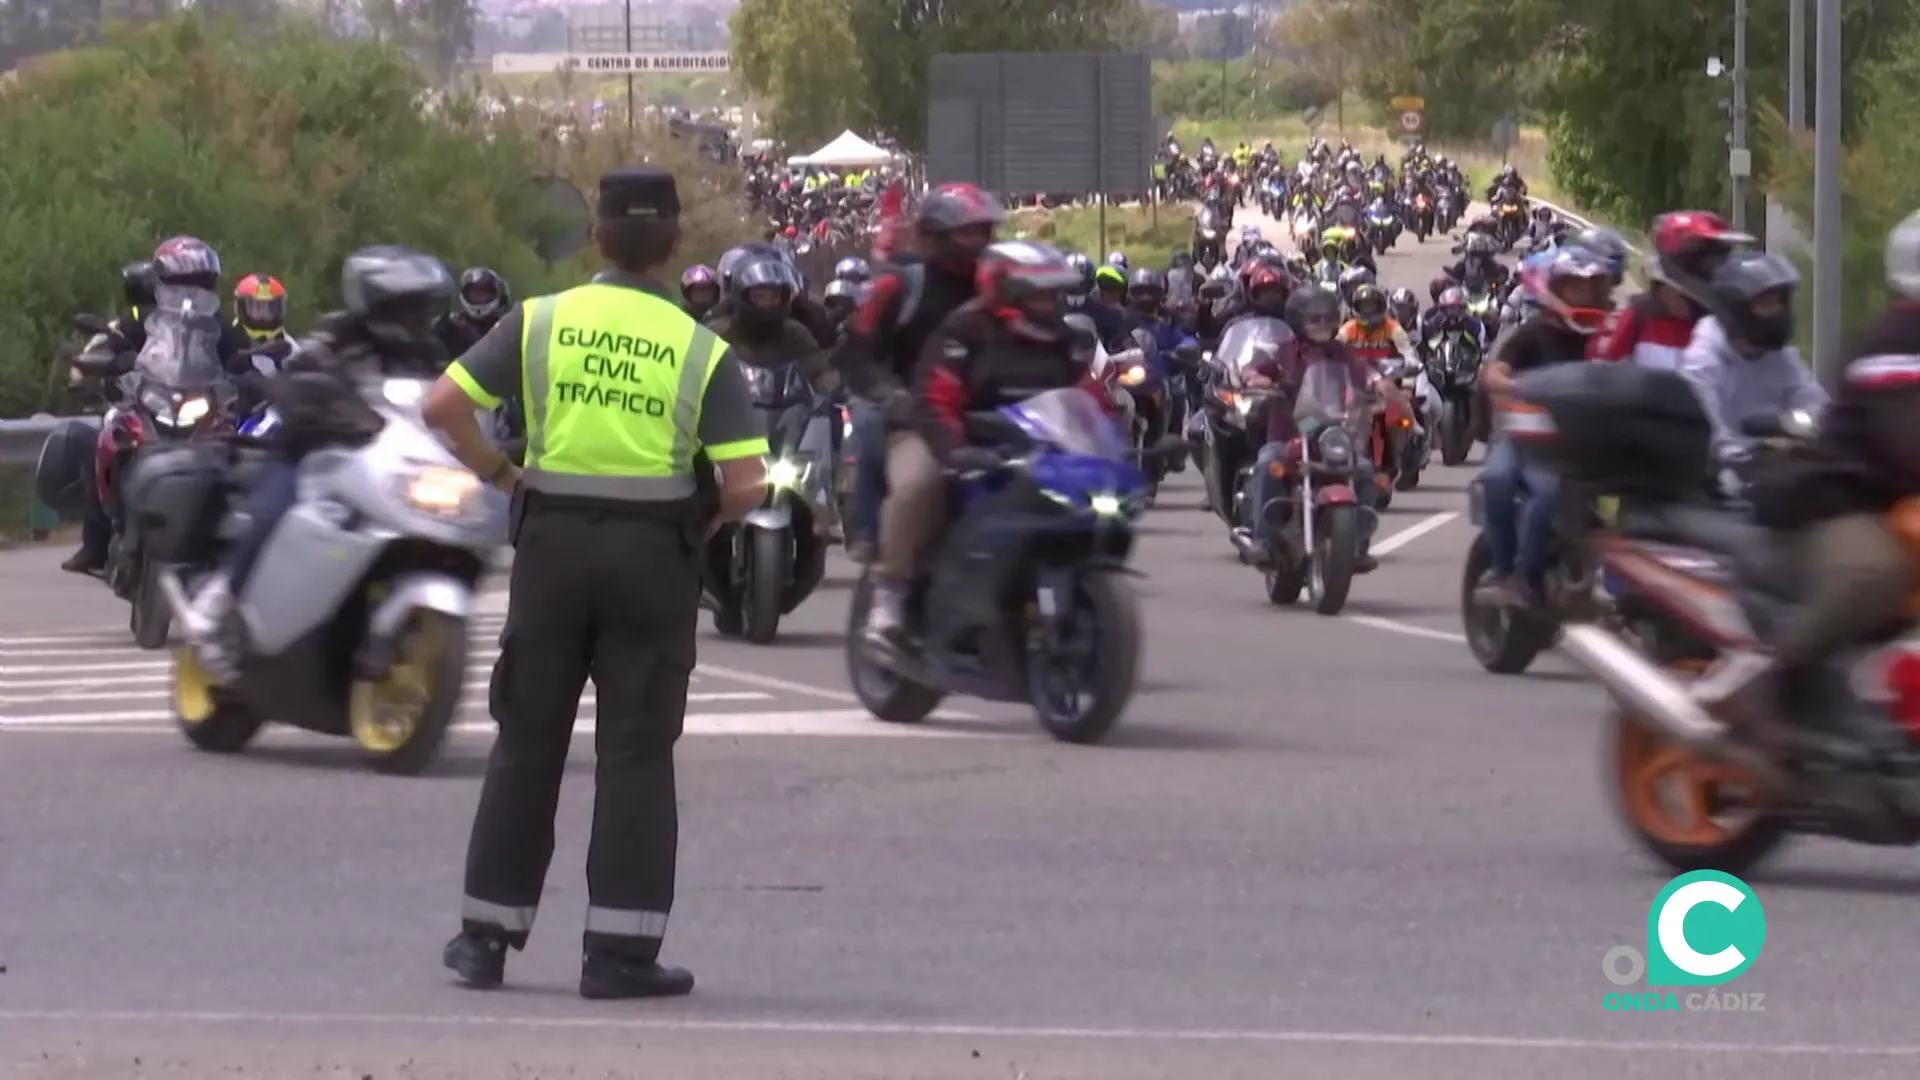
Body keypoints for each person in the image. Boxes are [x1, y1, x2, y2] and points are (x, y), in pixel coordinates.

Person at [422, 166, 769, 999]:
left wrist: (505, 478)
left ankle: (484, 940)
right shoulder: (702, 350)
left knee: (527, 740)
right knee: (636, 754)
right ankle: (618, 954)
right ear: (675, 245)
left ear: (598, 238)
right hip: (653, 559)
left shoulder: (539, 321)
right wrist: (697, 526)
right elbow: (747, 484)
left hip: (551, 548)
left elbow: (442, 408)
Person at [1696, 212, 1920, 731]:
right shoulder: (1898, 340)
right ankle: (1770, 681)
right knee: (1872, 573)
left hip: (1896, 504)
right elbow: (1908, 438)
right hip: (1843, 500)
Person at [182, 247, 455, 659]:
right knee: (270, 513)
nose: (415, 316)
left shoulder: (428, 353)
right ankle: (220, 600)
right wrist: (336, 409)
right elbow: (297, 381)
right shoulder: (336, 338)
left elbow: (448, 397)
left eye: (421, 307)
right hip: (313, 455)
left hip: (383, 463)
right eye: (407, 306)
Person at [860, 240, 1101, 651]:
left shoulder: (1066, 338)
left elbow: (1087, 398)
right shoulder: (964, 331)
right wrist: (954, 450)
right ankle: (890, 595)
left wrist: (1114, 443)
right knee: (919, 485)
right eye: (1038, 294)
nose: (1049, 303)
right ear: (1007, 291)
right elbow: (935, 399)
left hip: (1029, 444)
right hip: (948, 437)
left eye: (1053, 293)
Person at [63, 236, 257, 576]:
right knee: (108, 435)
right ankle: (95, 542)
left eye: (199, 283)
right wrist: (112, 361)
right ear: (161, 284)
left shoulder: (220, 328)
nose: (189, 292)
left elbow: (245, 362)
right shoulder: (139, 321)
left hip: (203, 408)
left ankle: (226, 543)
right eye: (180, 283)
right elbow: (103, 348)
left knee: (240, 448)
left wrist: (249, 377)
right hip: (146, 400)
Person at [839, 183, 1003, 558]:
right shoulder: (898, 285)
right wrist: (890, 395)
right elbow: (856, 353)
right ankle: (885, 571)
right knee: (913, 482)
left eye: (984, 231)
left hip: (995, 419)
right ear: (934, 235)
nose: (979, 241)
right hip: (918, 420)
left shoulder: (1005, 288)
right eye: (968, 232)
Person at [1475, 245, 1615, 608]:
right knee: (1502, 480)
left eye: (1594, 287)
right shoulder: (1532, 333)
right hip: (1528, 434)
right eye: (1578, 286)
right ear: (1559, 289)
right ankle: (1515, 575)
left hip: (1583, 438)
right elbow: (1495, 373)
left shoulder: (1606, 336)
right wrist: (1512, 386)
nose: (1587, 294)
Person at [1232, 286, 1396, 571]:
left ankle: (1358, 544)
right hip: (1289, 434)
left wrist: (1377, 382)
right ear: (1298, 320)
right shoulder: (1285, 350)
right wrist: (1257, 379)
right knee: (1268, 464)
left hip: (1332, 432)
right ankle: (1263, 538)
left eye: (1327, 318)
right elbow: (1254, 367)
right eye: (1314, 319)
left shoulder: (1341, 352)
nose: (1323, 325)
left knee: (1364, 469)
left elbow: (1363, 370)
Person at [1677, 251, 1828, 490]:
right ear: (1736, 308)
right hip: (1722, 483)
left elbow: (1813, 401)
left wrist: (1812, 427)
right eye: (1766, 304)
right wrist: (1749, 457)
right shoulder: (1702, 363)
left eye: (1780, 302)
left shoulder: (1779, 355)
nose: (1779, 312)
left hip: (1772, 472)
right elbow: (1712, 437)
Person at [1593, 211, 1752, 370]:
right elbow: (1599, 374)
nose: (1716, 271)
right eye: (1709, 263)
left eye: (1720, 261)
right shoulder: (1637, 316)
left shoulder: (1730, 324)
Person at [436, 267, 513, 357]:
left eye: (482, 294)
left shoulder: (505, 327)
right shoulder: (450, 326)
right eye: (475, 294)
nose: (478, 297)